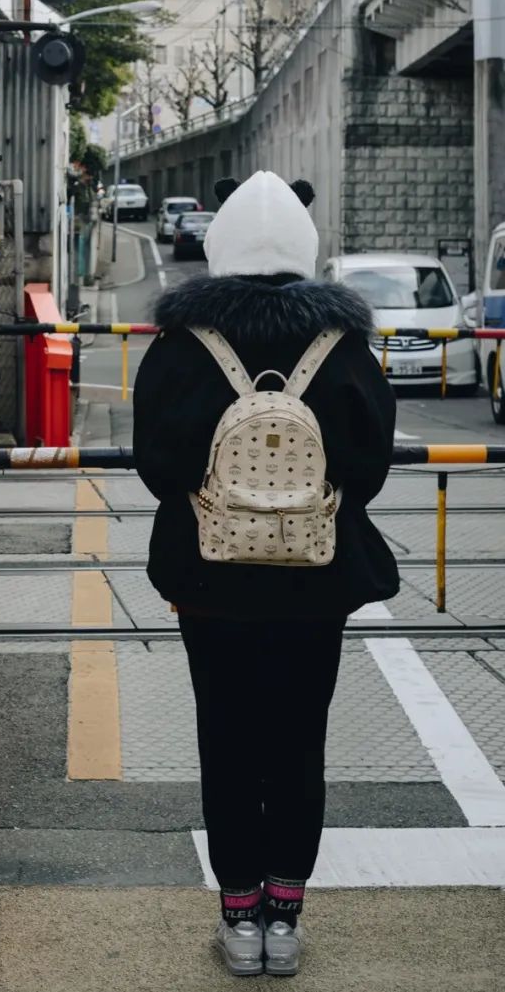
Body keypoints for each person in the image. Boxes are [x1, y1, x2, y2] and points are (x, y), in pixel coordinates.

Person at [133, 172, 398, 978]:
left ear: (220, 245)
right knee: (297, 742)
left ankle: (238, 918)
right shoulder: (344, 346)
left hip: (210, 581)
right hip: (317, 584)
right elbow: (371, 466)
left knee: (227, 738)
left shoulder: (183, 346)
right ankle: (286, 921)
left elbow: (156, 464)